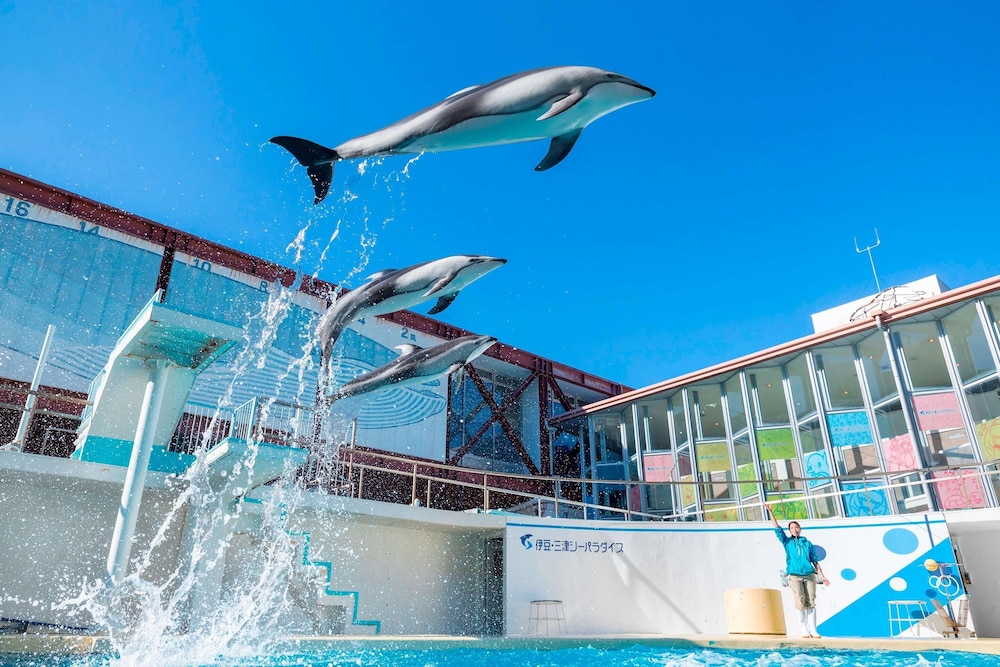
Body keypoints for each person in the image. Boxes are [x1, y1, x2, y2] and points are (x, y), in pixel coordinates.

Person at [764, 502, 830, 638]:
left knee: (811, 601)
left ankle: (813, 629)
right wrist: (771, 512)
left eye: (796, 527)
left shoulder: (807, 543)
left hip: (809, 575)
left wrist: (822, 576)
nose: (795, 529)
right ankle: (804, 629)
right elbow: (777, 529)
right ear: (790, 530)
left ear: (800, 529)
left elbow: (815, 561)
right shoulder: (787, 542)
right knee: (800, 602)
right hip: (794, 576)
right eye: (792, 527)